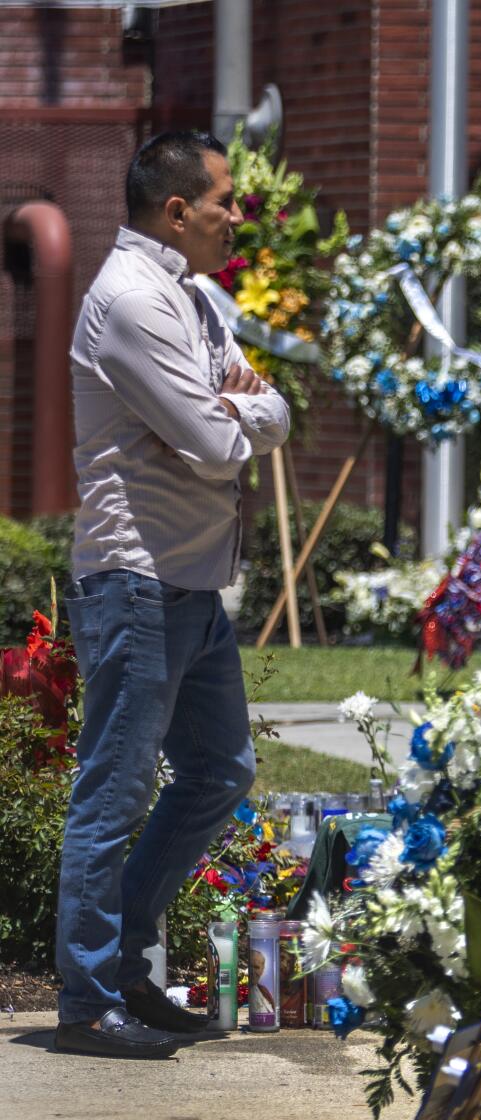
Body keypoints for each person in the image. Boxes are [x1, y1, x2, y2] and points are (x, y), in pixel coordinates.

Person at [54, 129, 287, 1057]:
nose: (239, 215)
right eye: (227, 199)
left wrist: (244, 403)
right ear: (178, 209)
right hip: (135, 579)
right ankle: (87, 999)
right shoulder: (131, 302)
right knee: (112, 792)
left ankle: (125, 959)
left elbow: (267, 407)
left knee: (222, 771)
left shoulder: (198, 297)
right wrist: (236, 409)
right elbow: (217, 439)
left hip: (193, 584)